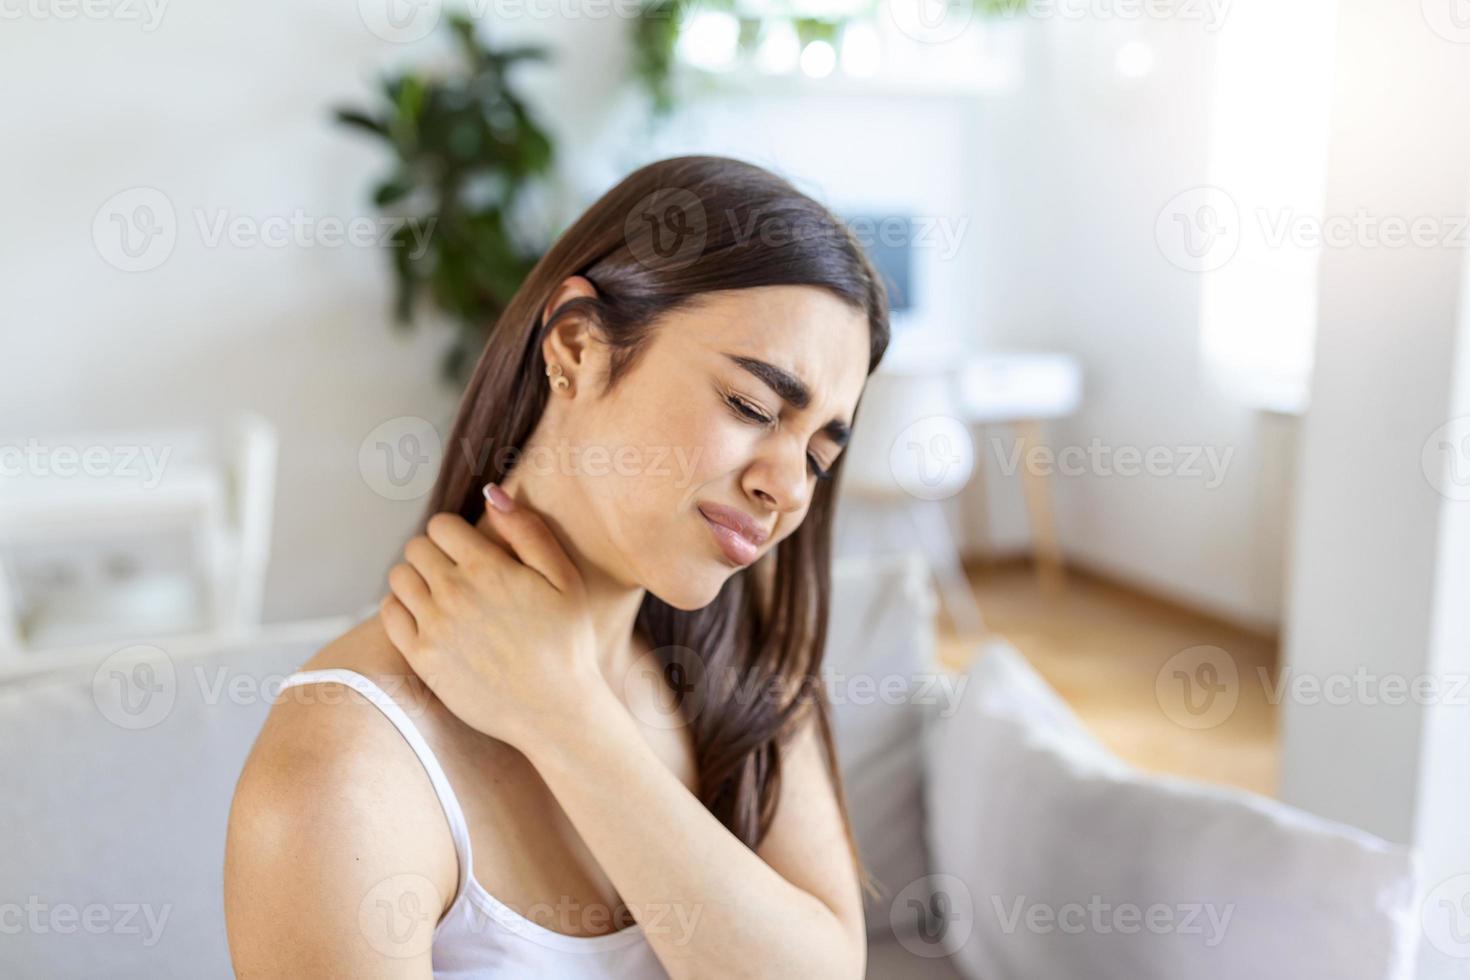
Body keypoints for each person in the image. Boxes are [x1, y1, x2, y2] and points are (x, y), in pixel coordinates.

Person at [224, 154, 891, 978]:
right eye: (751, 406)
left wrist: (566, 714)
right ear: (576, 344)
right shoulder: (344, 769)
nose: (787, 488)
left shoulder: (740, 664)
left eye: (820, 455)